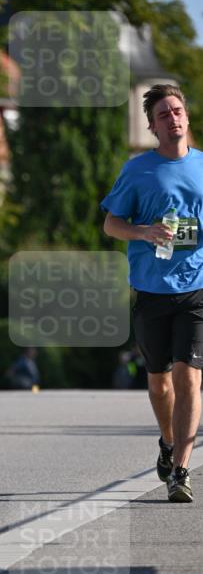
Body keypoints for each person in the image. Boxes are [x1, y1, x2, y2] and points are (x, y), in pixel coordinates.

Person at [102, 84, 202, 502]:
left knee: (189, 378)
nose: (173, 118)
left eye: (177, 111)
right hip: (151, 290)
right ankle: (167, 441)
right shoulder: (138, 170)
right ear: (152, 127)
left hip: (197, 289)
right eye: (163, 114)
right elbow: (111, 224)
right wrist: (143, 231)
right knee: (160, 385)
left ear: (187, 117)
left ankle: (181, 469)